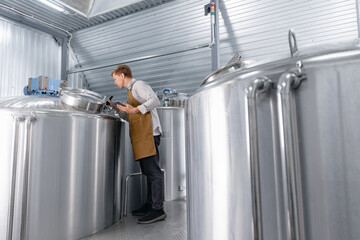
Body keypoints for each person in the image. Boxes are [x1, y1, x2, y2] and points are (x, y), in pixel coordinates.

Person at [110, 64, 166, 224]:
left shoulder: (138, 85)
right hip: (142, 135)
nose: (115, 83)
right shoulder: (130, 91)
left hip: (149, 134)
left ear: (122, 75)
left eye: (115, 79)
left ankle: (158, 210)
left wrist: (134, 110)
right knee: (147, 171)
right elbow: (134, 115)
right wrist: (119, 110)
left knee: (153, 172)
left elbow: (154, 100)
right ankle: (150, 205)